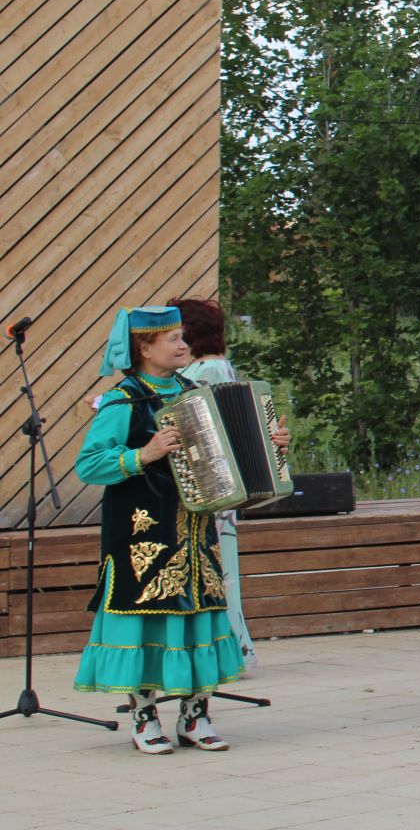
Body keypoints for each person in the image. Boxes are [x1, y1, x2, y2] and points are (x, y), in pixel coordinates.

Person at [72, 305, 288, 754]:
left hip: (195, 532)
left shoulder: (197, 393)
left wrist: (271, 446)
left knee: (200, 618)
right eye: (171, 339)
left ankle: (195, 716)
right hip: (142, 536)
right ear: (144, 348)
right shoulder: (122, 400)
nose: (182, 344)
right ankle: (144, 717)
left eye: (181, 337)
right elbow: (88, 464)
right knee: (151, 623)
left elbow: (228, 456)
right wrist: (144, 454)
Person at [171, 296, 257, 673]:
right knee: (224, 571)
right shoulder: (220, 365)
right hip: (226, 487)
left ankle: (226, 652)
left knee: (216, 572)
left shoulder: (202, 373)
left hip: (212, 488)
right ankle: (235, 648)